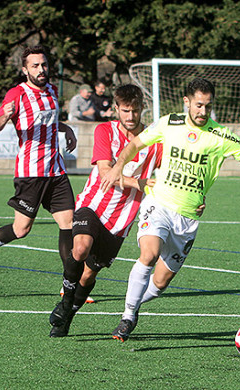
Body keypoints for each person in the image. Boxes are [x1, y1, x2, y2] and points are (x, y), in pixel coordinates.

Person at [102, 77, 240, 342]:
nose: (202, 111)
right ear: (187, 102)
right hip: (159, 204)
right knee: (149, 254)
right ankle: (128, 316)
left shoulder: (221, 136)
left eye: (207, 107)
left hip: (188, 219)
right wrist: (119, 165)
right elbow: (135, 144)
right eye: (198, 105)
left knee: (161, 282)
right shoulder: (169, 123)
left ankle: (136, 302)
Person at [48, 84, 164, 337]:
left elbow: (168, 173)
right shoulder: (105, 130)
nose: (130, 117)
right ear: (116, 109)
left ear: (142, 109)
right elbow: (105, 173)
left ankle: (68, 315)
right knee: (79, 249)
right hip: (94, 204)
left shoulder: (155, 142)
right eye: (125, 111)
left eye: (135, 111)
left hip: (122, 217)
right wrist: (142, 184)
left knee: (89, 273)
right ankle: (65, 304)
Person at [0, 45, 77, 281]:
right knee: (21, 230)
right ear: (25, 70)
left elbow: (52, 122)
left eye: (44, 64)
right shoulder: (17, 93)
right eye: (35, 66)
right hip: (30, 172)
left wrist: (67, 130)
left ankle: (70, 284)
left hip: (56, 171)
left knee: (68, 223)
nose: (41, 69)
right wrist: (5, 115)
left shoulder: (53, 91)